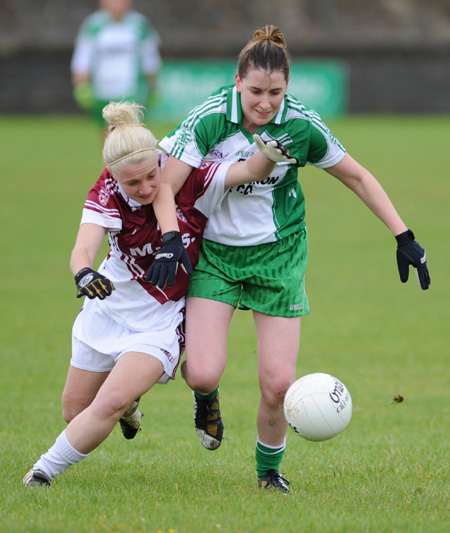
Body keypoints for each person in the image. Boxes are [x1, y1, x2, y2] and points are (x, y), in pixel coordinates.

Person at [153, 25, 431, 494]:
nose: (265, 103)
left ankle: (268, 472)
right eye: (256, 91)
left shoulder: (300, 124)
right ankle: (207, 399)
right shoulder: (210, 118)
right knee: (201, 371)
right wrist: (168, 238)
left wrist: (403, 235)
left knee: (278, 384)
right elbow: (165, 184)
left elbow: (358, 177)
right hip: (216, 254)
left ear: (288, 88)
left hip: (279, 256)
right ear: (237, 82)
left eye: (276, 93)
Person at [22, 100, 298, 487]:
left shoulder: (195, 178)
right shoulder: (107, 192)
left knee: (109, 401)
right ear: (114, 177)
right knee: (75, 411)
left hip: (161, 317)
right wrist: (83, 273)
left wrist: (268, 156)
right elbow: (83, 247)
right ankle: (129, 408)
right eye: (133, 183)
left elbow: (248, 170)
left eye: (152, 176)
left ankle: (41, 472)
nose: (147, 188)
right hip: (112, 306)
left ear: (161, 161)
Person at [70, 0, 162, 126]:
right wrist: (81, 85)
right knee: (107, 132)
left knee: (129, 131)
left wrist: (153, 86)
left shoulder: (140, 25)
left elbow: (150, 57)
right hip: (101, 90)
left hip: (132, 90)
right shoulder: (93, 25)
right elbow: (83, 57)